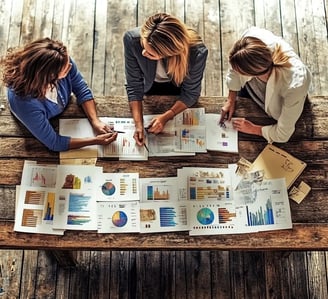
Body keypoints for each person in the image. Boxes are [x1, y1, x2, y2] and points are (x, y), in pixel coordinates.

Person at [0, 38, 117, 152]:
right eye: (66, 69)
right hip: (34, 124)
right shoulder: (24, 104)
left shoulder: (63, 60)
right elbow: (54, 143)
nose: (70, 66)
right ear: (48, 76)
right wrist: (94, 141)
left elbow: (82, 89)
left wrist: (95, 121)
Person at [123, 12, 208, 146]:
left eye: (150, 54)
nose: (143, 53)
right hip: (149, 84)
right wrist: (138, 124)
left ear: (169, 55)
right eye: (143, 45)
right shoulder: (131, 40)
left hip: (179, 86)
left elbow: (191, 93)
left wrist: (166, 116)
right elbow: (134, 85)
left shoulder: (197, 53)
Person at [220, 27, 312, 143]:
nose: (234, 72)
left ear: (251, 74)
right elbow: (234, 70)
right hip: (255, 88)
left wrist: (253, 129)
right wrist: (231, 99)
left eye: (240, 72)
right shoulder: (251, 38)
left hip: (279, 106)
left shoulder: (295, 85)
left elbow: (283, 134)